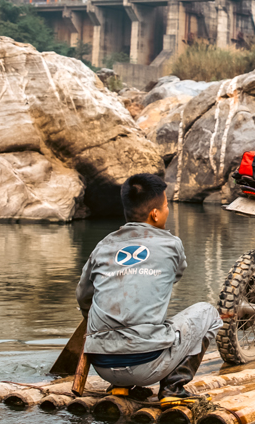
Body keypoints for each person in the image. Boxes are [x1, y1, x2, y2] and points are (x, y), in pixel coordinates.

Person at [76, 172, 222, 408]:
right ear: (155, 214)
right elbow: (175, 275)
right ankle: (172, 388)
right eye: (166, 207)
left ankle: (120, 386)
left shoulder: (103, 246)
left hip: (101, 365)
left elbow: (83, 297)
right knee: (208, 313)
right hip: (147, 366)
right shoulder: (171, 244)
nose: (167, 211)